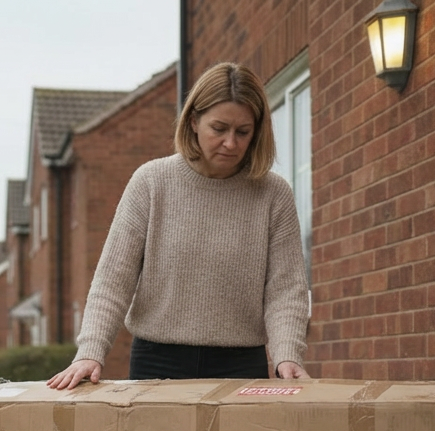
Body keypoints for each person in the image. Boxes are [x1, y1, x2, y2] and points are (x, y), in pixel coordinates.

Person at [48, 62, 310, 389]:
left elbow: (286, 289)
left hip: (242, 364)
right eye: (219, 128)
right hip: (158, 361)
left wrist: (287, 354)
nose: (231, 142)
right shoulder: (151, 182)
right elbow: (114, 277)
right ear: (193, 122)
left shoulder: (274, 194)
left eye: (243, 132)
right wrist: (90, 351)